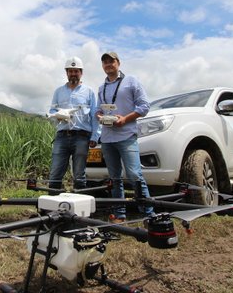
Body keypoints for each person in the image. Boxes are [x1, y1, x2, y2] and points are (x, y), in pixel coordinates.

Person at [96, 51, 154, 223]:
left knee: (135, 174)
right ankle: (119, 214)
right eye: (105, 62)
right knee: (114, 178)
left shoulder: (131, 81)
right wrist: (99, 115)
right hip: (107, 138)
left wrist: (125, 119)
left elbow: (144, 106)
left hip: (126, 135)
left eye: (111, 61)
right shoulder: (102, 87)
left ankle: (148, 213)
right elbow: (99, 109)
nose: (108, 64)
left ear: (118, 63)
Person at [47, 57, 100, 191]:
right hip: (62, 136)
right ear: (66, 73)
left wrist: (95, 136)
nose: (73, 74)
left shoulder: (89, 92)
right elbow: (52, 111)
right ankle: (53, 204)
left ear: (81, 73)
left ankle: (80, 206)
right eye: (70, 71)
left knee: (79, 174)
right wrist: (58, 116)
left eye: (76, 71)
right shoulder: (58, 91)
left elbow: (94, 115)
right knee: (55, 172)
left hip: (81, 137)